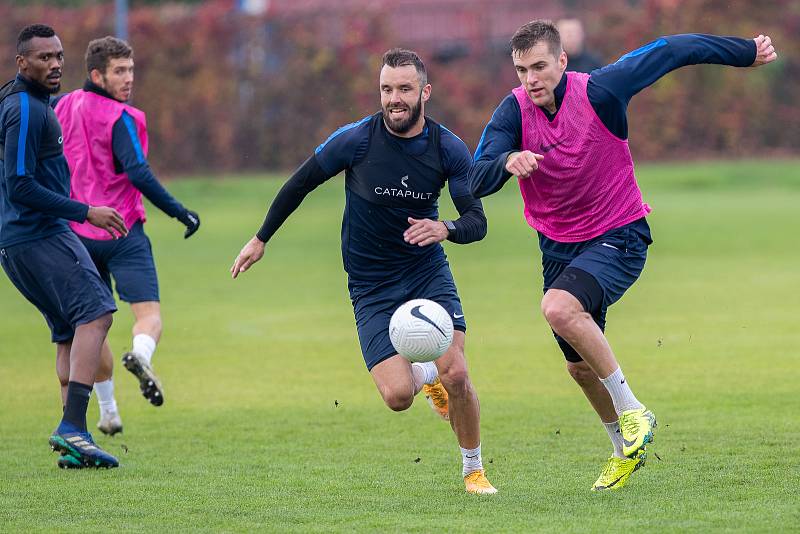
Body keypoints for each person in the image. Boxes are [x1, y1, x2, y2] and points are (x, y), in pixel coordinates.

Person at [470, 20, 777, 491]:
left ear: (561, 62)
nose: (530, 79)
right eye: (521, 70)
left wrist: (742, 52)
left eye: (538, 66)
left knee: (557, 307)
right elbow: (476, 178)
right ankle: (623, 449)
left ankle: (634, 410)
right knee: (577, 366)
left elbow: (672, 49)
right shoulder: (512, 113)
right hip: (558, 246)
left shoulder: (601, 90)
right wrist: (505, 162)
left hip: (620, 233)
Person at [231, 48, 497, 495]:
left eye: (404, 89)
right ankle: (423, 377)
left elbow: (477, 221)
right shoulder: (355, 140)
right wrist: (261, 238)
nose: (395, 98)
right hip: (371, 284)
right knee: (396, 397)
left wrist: (444, 227)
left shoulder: (447, 148)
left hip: (424, 273)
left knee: (458, 372)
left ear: (424, 92)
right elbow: (300, 183)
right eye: (387, 89)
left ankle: (473, 470)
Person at [54, 36, 201, 434]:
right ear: (97, 74)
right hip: (122, 231)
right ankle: (140, 356)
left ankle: (108, 411)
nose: (128, 78)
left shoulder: (60, 105)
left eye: (131, 70)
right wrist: (179, 211)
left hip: (77, 233)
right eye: (120, 71)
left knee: (92, 325)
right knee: (149, 315)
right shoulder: (122, 117)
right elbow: (138, 172)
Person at [0, 24, 130, 469]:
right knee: (97, 313)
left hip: (21, 241)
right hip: (40, 234)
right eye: (43, 58)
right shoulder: (23, 109)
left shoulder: (27, 102)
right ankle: (73, 426)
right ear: (22, 63)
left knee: (69, 330)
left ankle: (75, 445)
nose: (55, 64)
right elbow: (19, 185)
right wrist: (83, 211)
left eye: (58, 55)